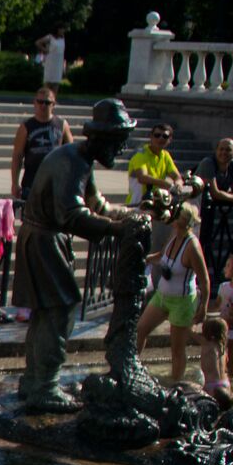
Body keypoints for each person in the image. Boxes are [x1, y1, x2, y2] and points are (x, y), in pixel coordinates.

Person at [13, 99, 138, 413]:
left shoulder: (82, 159)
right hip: (44, 240)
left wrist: (130, 216)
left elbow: (97, 204)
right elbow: (70, 214)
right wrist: (114, 230)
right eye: (119, 142)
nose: (121, 149)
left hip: (42, 238)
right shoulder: (73, 161)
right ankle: (44, 386)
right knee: (60, 311)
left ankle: (33, 381)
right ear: (104, 138)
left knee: (46, 312)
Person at [135, 202, 209, 384]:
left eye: (175, 216)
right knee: (140, 329)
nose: (171, 218)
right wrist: (145, 259)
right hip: (162, 296)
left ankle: (176, 383)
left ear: (182, 220)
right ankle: (133, 368)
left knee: (177, 349)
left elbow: (205, 280)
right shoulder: (173, 234)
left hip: (182, 302)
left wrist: (204, 307)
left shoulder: (193, 247)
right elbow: (162, 255)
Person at [11, 87, 74, 202]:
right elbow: (17, 156)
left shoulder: (62, 124)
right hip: (32, 182)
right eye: (40, 102)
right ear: (34, 103)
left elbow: (72, 152)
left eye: (47, 102)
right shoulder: (26, 126)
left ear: (53, 104)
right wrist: (15, 183)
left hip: (56, 182)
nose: (43, 105)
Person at [126, 123, 182, 206]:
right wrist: (165, 184)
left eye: (165, 136)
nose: (160, 139)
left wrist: (178, 184)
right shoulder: (141, 155)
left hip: (156, 203)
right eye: (157, 135)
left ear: (170, 139)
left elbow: (177, 176)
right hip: (137, 204)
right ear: (151, 137)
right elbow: (142, 177)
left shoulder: (165, 155)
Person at [196, 138, 233, 209]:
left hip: (210, 207)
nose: (224, 152)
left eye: (228, 150)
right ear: (216, 151)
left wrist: (223, 195)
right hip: (195, 205)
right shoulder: (207, 163)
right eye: (221, 149)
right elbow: (214, 193)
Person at [198, 317, 233, 410]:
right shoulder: (222, 347)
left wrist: (195, 319)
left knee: (209, 409)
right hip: (225, 383)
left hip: (211, 385)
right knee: (224, 409)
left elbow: (189, 331)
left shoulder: (207, 344)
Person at [37, 26, 66, 97]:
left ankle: (53, 99)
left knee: (56, 83)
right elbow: (38, 43)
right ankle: (44, 98)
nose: (63, 31)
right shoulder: (50, 37)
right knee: (48, 82)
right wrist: (45, 50)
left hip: (58, 63)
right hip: (50, 62)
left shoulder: (62, 39)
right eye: (61, 29)